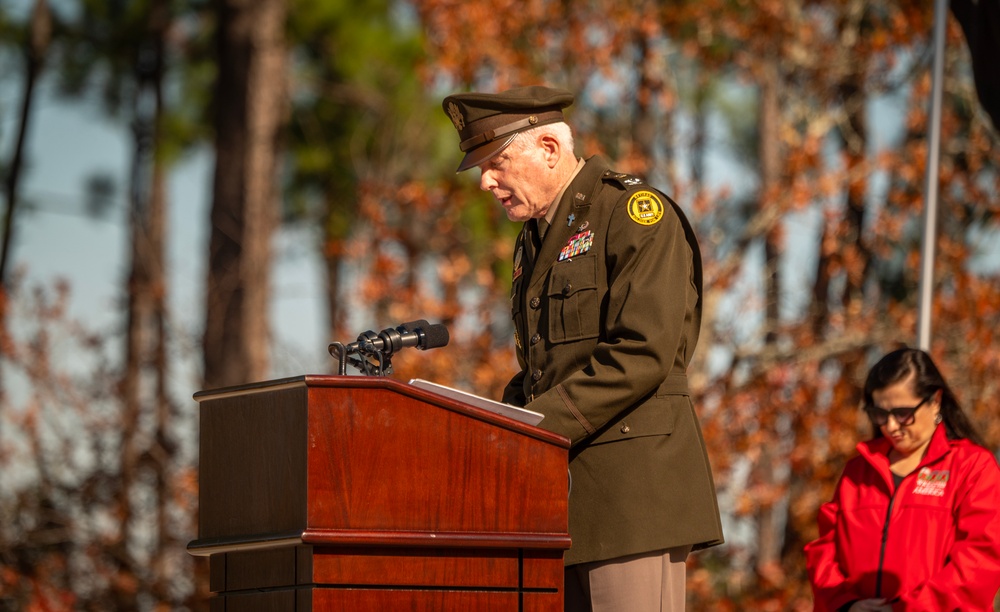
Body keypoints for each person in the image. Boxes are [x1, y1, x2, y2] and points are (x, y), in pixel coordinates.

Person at [442, 85, 723, 611]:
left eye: (497, 162)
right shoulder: (535, 237)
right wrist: (492, 420)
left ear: (548, 148)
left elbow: (642, 353)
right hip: (561, 506)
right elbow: (545, 369)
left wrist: (530, 426)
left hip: (632, 505)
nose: (485, 181)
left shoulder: (635, 215)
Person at [805, 347, 1000, 611]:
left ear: (935, 401)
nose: (891, 426)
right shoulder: (857, 472)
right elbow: (825, 551)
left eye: (902, 413)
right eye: (880, 414)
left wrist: (908, 608)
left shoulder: (973, 467)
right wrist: (846, 604)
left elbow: (981, 559)